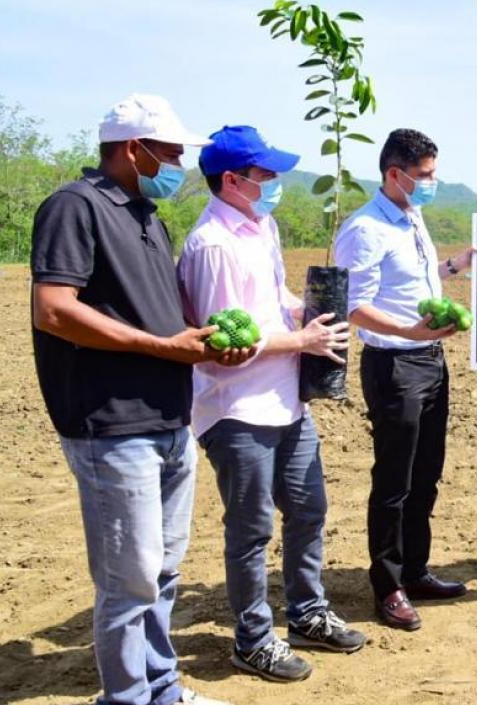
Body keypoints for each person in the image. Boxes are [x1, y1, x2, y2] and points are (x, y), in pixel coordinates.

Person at [29, 94, 233, 705]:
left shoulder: (147, 213)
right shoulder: (74, 207)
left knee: (163, 571)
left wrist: (207, 339)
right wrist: (159, 346)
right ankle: (126, 697)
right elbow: (54, 310)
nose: (177, 164)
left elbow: (157, 310)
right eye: (170, 153)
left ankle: (161, 686)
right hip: (112, 424)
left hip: (171, 417)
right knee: (129, 578)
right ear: (131, 149)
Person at [177, 125, 366, 682]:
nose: (276, 183)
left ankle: (307, 613)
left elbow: (271, 299)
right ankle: (254, 640)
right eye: (266, 175)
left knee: (309, 510)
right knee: (252, 529)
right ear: (232, 180)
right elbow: (225, 342)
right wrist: (302, 341)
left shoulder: (262, 227)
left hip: (286, 401)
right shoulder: (212, 245)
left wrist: (306, 315)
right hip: (237, 409)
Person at [333, 129, 475, 631]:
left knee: (426, 473)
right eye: (425, 176)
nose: (433, 183)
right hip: (395, 366)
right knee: (394, 479)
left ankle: (415, 570)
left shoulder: (411, 217)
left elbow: (412, 281)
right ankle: (388, 584)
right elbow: (353, 305)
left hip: (430, 360)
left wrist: (455, 265)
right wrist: (409, 330)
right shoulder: (365, 229)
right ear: (395, 174)